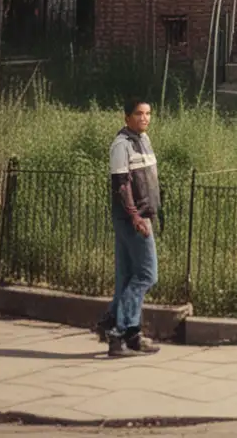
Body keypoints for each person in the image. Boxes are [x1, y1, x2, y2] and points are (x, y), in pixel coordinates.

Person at [98, 99, 161, 356]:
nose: (144, 118)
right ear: (127, 117)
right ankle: (118, 330)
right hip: (133, 219)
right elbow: (122, 184)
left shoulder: (143, 140)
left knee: (126, 277)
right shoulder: (121, 144)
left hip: (141, 216)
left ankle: (128, 332)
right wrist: (136, 216)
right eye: (138, 113)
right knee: (147, 275)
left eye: (148, 113)